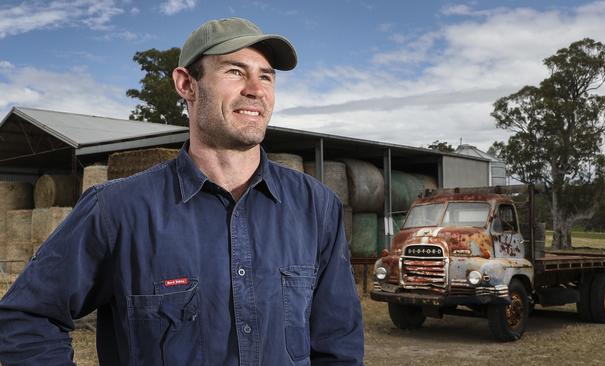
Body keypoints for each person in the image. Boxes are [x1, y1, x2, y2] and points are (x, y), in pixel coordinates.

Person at [0, 17, 364, 365]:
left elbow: (338, 345)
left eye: (266, 77)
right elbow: (27, 317)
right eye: (235, 71)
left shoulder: (316, 208)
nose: (255, 90)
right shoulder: (117, 211)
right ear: (187, 84)